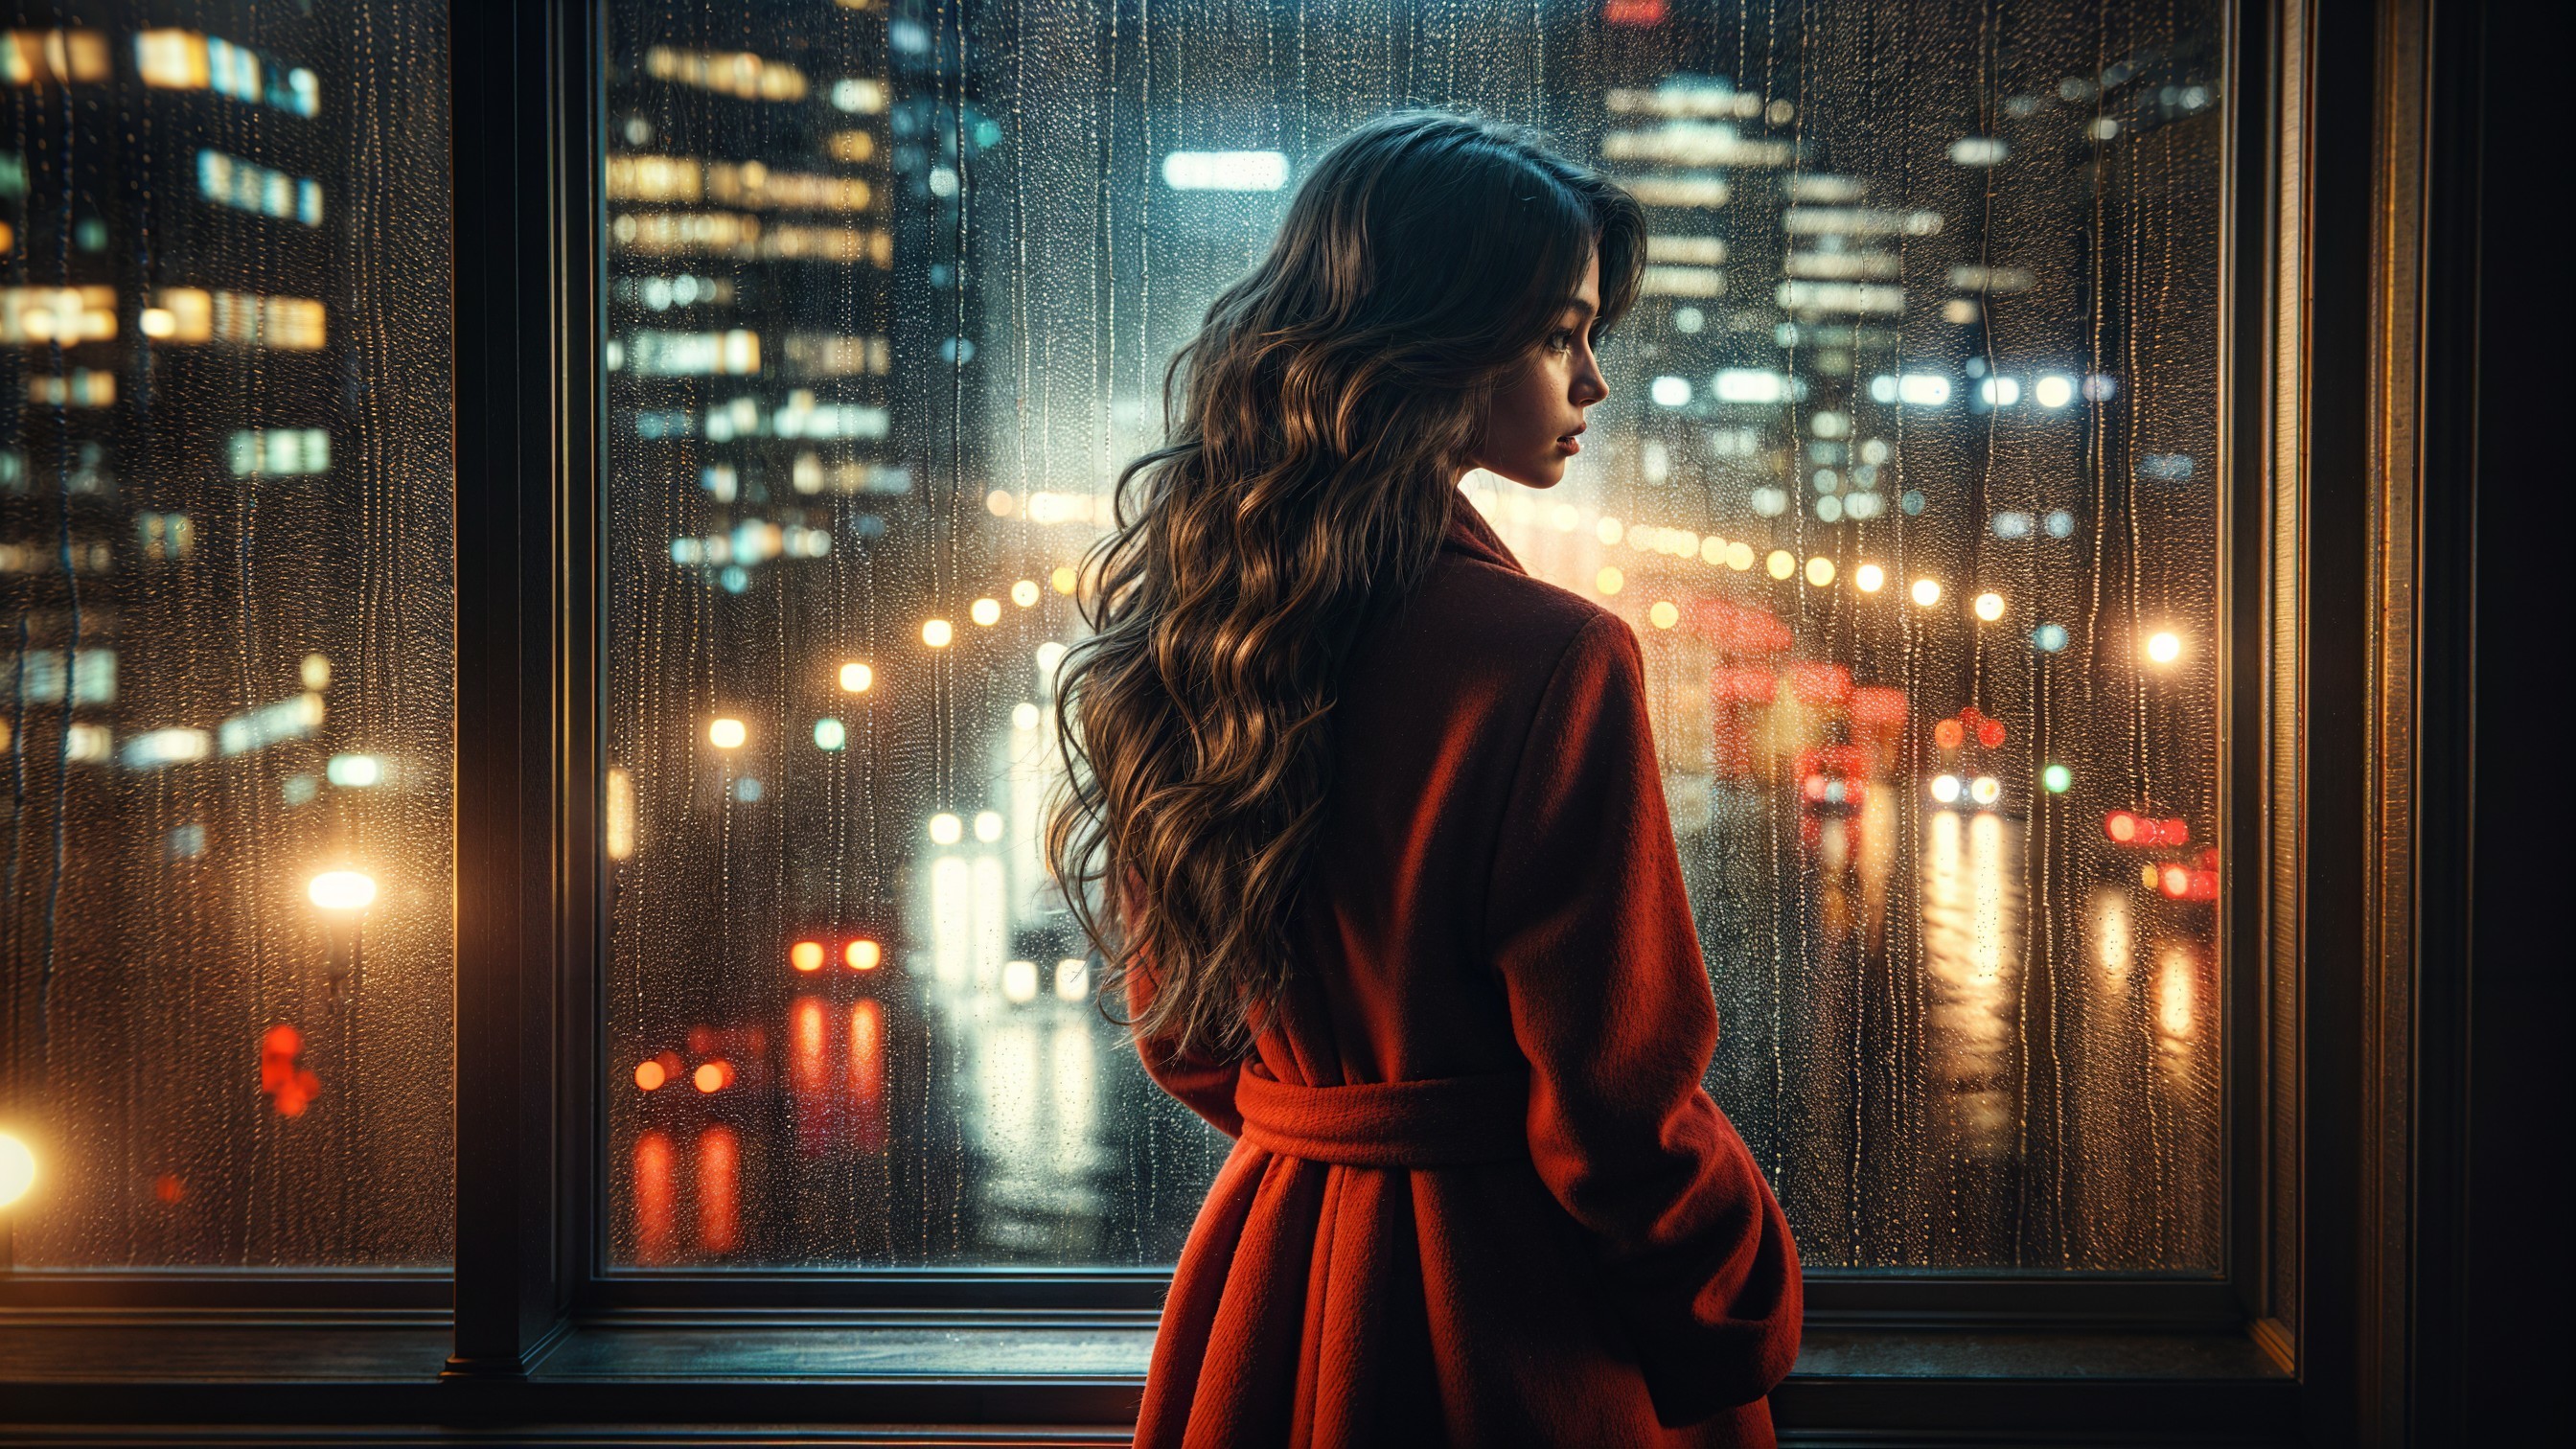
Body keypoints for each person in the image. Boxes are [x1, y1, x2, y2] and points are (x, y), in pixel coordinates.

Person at [1048, 109, 1802, 1448]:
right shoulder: (1555, 656)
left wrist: (1327, 1128)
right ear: (1440, 339)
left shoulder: (1202, 633)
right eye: (1560, 333)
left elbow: (1182, 1033)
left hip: (1269, 1290)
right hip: (1512, 1312)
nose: (1593, 382)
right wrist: (1734, 1314)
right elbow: (1618, 1103)